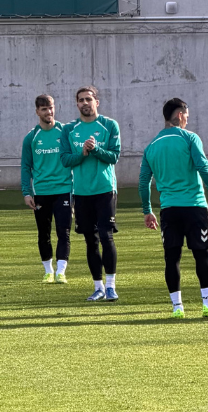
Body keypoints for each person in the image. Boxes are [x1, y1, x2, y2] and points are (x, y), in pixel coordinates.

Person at [139, 98, 208, 319]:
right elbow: (203, 166)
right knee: (202, 255)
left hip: (169, 209)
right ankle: (207, 305)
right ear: (179, 115)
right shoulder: (190, 138)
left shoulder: (152, 146)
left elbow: (143, 182)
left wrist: (147, 210)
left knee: (172, 257)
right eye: (186, 115)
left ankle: (177, 308)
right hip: (194, 206)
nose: (187, 119)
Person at [60, 86, 121, 302]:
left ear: (97, 102)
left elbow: (114, 156)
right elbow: (66, 160)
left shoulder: (109, 125)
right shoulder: (69, 129)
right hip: (81, 192)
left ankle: (112, 286)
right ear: (76, 104)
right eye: (80, 100)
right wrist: (83, 153)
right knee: (90, 240)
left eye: (88, 99)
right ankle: (98, 287)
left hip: (105, 190)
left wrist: (96, 150)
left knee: (106, 236)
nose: (85, 103)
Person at [20, 94, 72, 284]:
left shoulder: (65, 132)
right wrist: (27, 192)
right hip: (41, 192)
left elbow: (74, 160)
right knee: (44, 233)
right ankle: (48, 271)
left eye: (50, 108)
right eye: (44, 109)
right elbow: (26, 167)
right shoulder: (31, 137)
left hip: (64, 190)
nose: (48, 112)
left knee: (63, 231)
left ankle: (61, 271)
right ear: (37, 112)